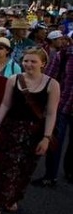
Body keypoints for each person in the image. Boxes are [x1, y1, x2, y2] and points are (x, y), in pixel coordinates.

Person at [0, 47, 60, 214]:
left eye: (33, 61)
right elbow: (5, 104)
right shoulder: (14, 79)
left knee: (24, 169)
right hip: (10, 129)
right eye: (26, 60)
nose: (28, 64)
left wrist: (46, 137)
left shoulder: (52, 84)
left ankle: (11, 198)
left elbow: (51, 113)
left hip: (33, 133)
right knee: (1, 166)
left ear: (43, 63)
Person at [32, 39, 73, 187]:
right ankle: (50, 175)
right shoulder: (63, 55)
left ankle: (70, 172)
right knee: (54, 141)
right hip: (61, 105)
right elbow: (48, 78)